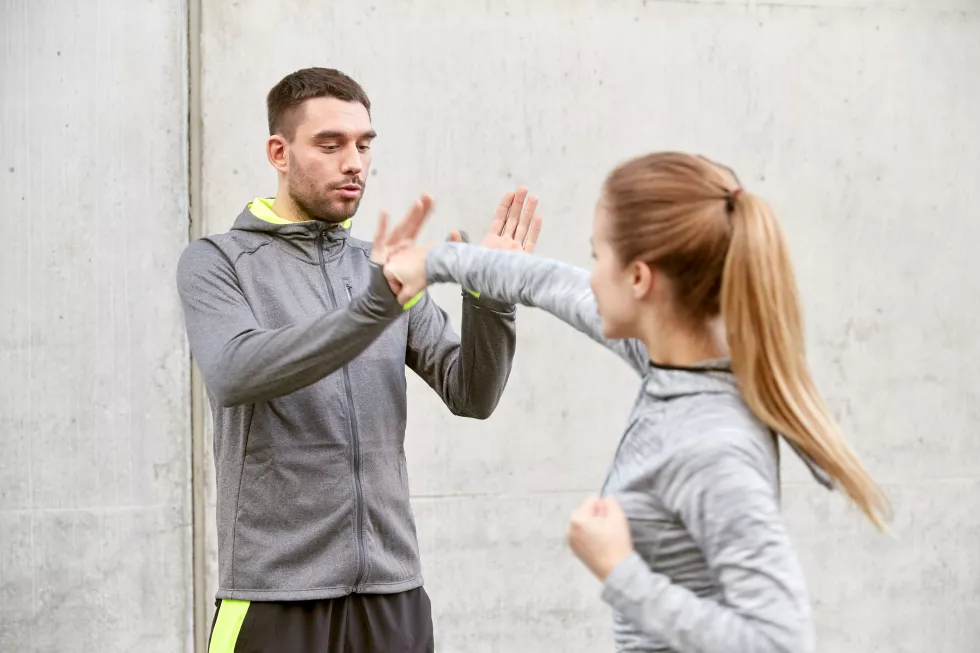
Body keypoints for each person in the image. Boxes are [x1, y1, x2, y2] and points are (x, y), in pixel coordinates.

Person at [383, 151, 890, 652]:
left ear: (640, 280)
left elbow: (779, 642)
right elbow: (549, 283)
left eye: (599, 257)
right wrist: (435, 263)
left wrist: (619, 569)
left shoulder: (712, 444)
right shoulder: (670, 358)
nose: (592, 275)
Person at [176, 67, 542, 653]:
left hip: (393, 594)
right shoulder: (217, 262)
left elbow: (471, 393)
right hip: (274, 599)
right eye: (331, 144)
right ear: (279, 151)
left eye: (364, 145)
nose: (355, 162)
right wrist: (375, 307)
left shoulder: (381, 269)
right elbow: (234, 371)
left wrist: (491, 296)